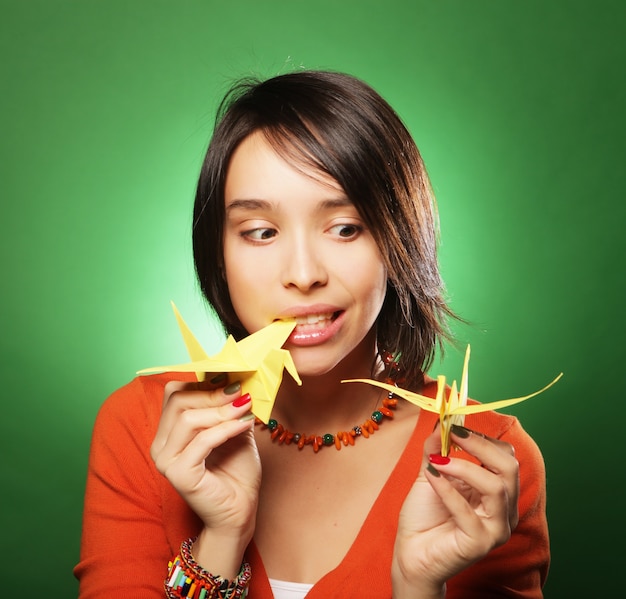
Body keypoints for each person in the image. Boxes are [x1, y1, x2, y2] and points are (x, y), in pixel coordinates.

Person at [74, 70, 549, 598]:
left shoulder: (484, 464)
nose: (303, 273)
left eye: (345, 227)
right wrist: (222, 538)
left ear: (399, 239)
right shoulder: (143, 427)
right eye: (261, 232)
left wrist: (419, 586)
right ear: (219, 255)